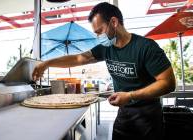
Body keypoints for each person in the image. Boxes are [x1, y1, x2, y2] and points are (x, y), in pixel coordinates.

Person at [32, 2, 176, 139]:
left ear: (114, 22)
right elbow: (78, 59)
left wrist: (130, 95)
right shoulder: (106, 48)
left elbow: (168, 83)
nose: (98, 36)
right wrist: (47, 63)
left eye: (100, 31)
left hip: (148, 118)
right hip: (124, 115)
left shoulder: (146, 47)